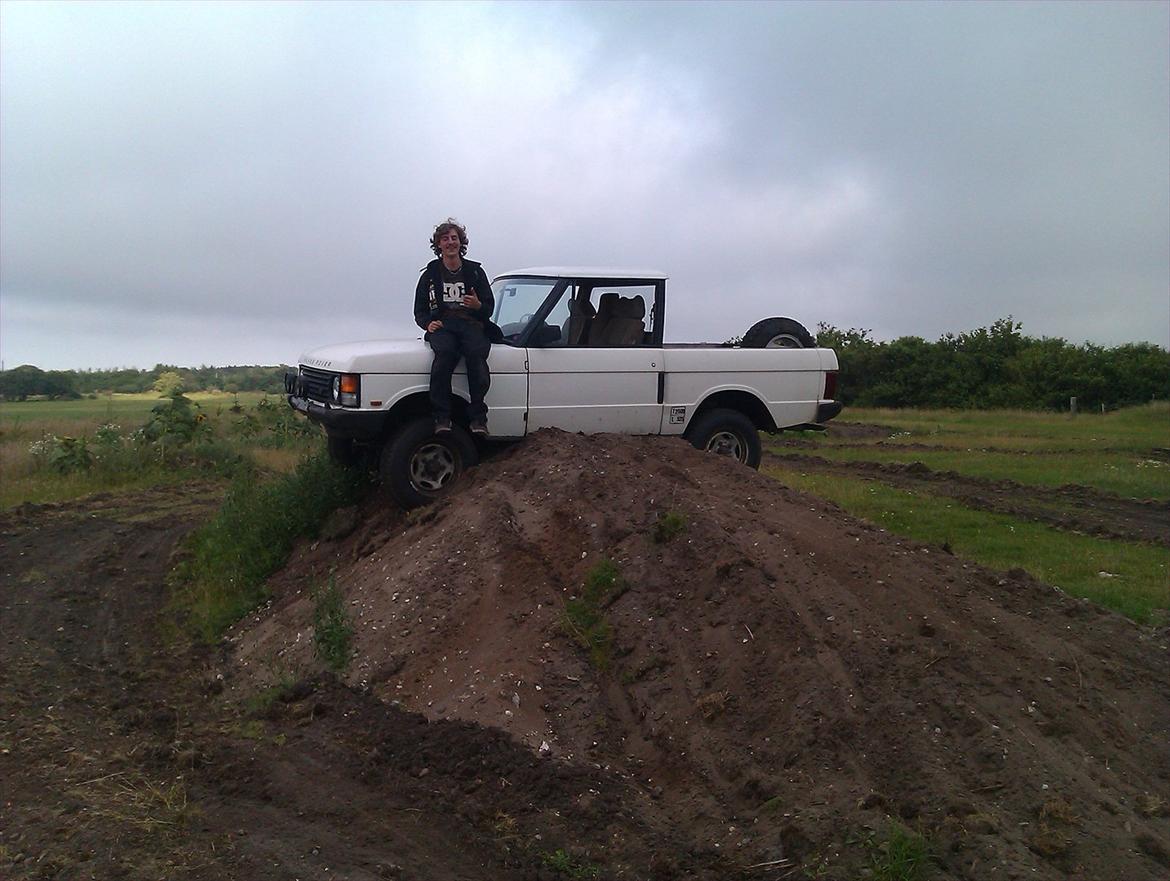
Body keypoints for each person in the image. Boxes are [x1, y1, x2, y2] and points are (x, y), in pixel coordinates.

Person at [413, 218, 502, 436]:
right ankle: (442, 417)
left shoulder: (475, 272)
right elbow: (419, 309)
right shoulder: (430, 275)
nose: (450, 242)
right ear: (439, 245)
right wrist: (427, 323)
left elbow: (489, 308)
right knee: (445, 354)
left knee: (476, 355)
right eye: (445, 239)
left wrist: (478, 305)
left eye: (454, 238)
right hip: (444, 326)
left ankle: (479, 419)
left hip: (471, 324)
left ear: (461, 242)